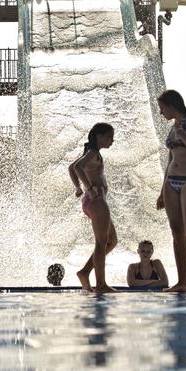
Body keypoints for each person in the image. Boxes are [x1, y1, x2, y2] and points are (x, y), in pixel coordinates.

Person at [156, 89, 186, 292]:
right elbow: (171, 158)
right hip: (171, 182)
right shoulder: (173, 127)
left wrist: (183, 135)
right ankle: (182, 283)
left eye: (162, 108)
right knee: (176, 232)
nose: (160, 112)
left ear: (172, 105)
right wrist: (161, 190)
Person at [68, 123, 118, 292]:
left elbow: (71, 167)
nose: (112, 140)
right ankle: (101, 284)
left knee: (111, 241)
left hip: (95, 200)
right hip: (96, 201)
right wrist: (88, 188)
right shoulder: (92, 153)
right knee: (101, 242)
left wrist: (78, 188)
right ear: (98, 136)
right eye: (109, 137)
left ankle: (85, 272)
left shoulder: (91, 153)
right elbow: (77, 167)